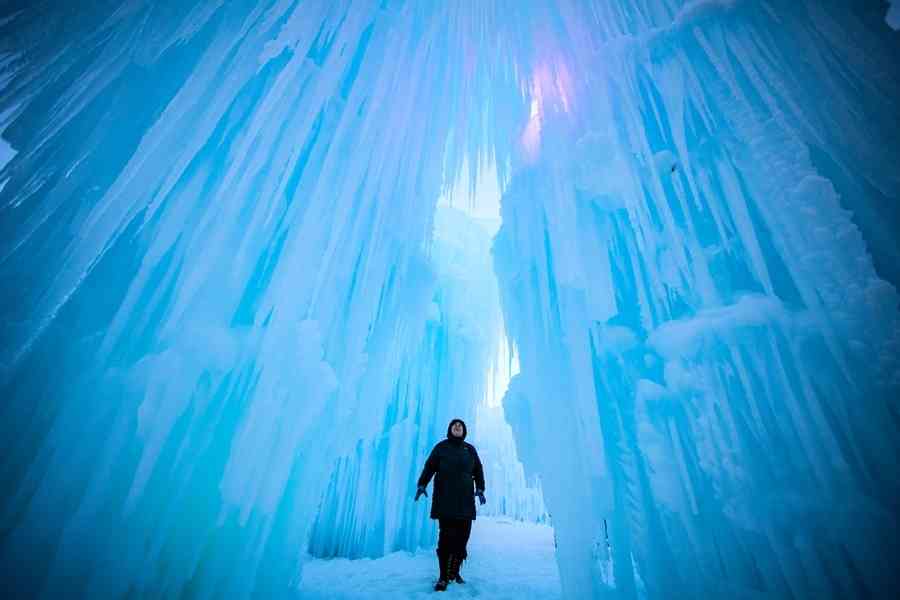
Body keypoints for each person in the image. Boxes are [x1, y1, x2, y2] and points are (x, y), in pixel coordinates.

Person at [414, 418, 486, 592]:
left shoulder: (470, 450)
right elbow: (429, 467)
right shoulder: (441, 448)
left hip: (465, 504)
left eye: (460, 425)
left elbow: (478, 470)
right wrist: (422, 484)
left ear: (464, 430)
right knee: (445, 540)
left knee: (462, 540)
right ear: (450, 429)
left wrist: (481, 488)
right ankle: (443, 577)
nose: (457, 427)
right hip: (445, 503)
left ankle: (454, 571)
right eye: (455, 425)